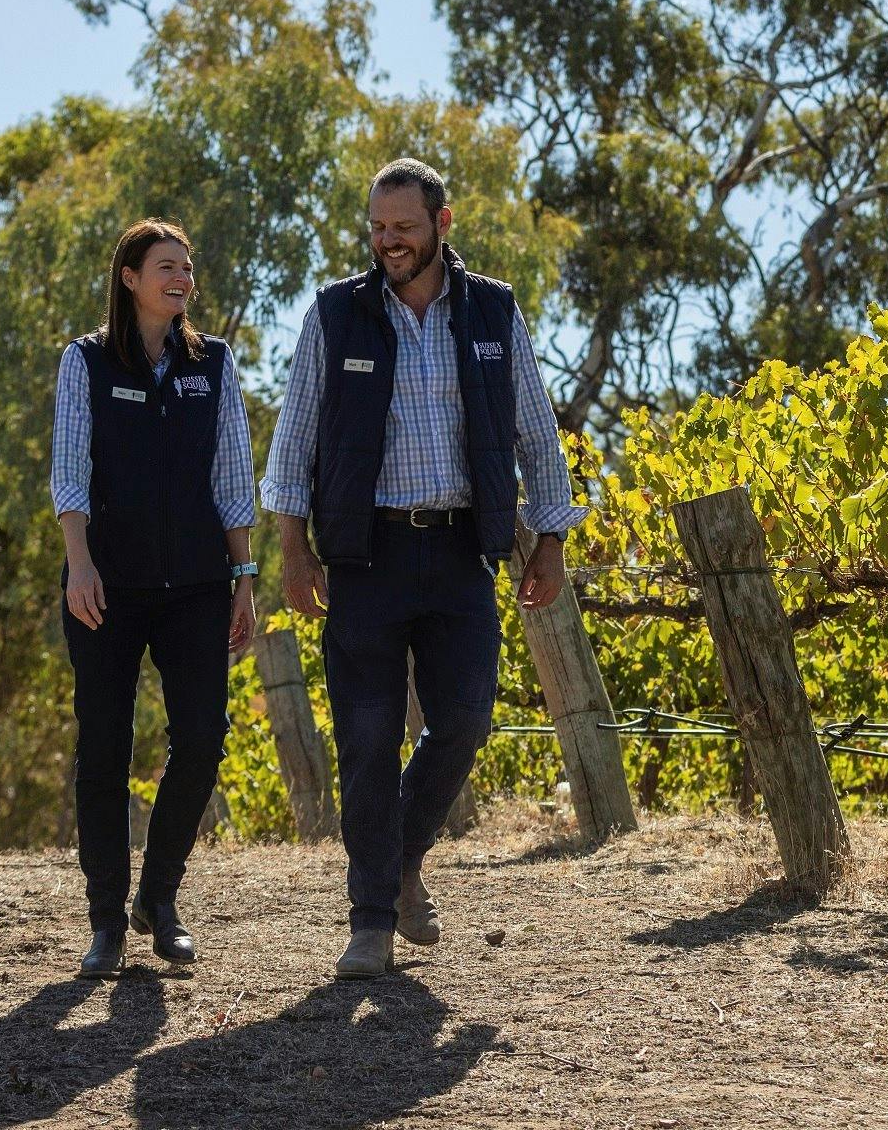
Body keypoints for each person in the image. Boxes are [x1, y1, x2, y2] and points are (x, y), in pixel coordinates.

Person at [261, 158, 583, 979]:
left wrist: (548, 538)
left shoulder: (492, 310)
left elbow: (535, 434)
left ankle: (400, 860)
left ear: (442, 224)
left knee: (467, 721)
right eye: (376, 229)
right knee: (367, 741)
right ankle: (370, 919)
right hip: (362, 557)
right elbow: (293, 440)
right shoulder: (335, 314)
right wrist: (292, 550)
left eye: (402, 229)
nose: (387, 243)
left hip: (458, 552)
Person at [52, 219, 257, 977]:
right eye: (166, 266)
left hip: (199, 587)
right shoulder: (86, 361)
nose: (182, 278)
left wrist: (244, 580)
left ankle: (158, 900)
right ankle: (106, 920)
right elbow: (70, 469)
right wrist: (79, 563)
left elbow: (233, 477)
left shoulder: (215, 364)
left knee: (202, 740)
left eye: (188, 269)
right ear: (130, 277)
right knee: (102, 750)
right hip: (105, 585)